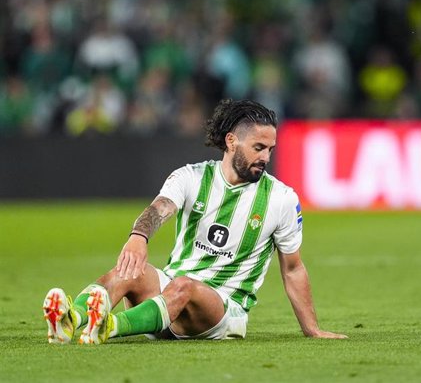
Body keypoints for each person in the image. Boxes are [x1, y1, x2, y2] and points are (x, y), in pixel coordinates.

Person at [42, 99, 347, 344]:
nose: (266, 157)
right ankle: (71, 320)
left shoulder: (281, 199)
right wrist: (138, 237)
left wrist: (312, 329)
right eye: (258, 148)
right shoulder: (191, 176)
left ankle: (108, 327)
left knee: (185, 286)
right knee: (131, 271)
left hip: (223, 310)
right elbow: (159, 208)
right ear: (231, 142)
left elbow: (293, 268)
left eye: (270, 149)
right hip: (167, 296)